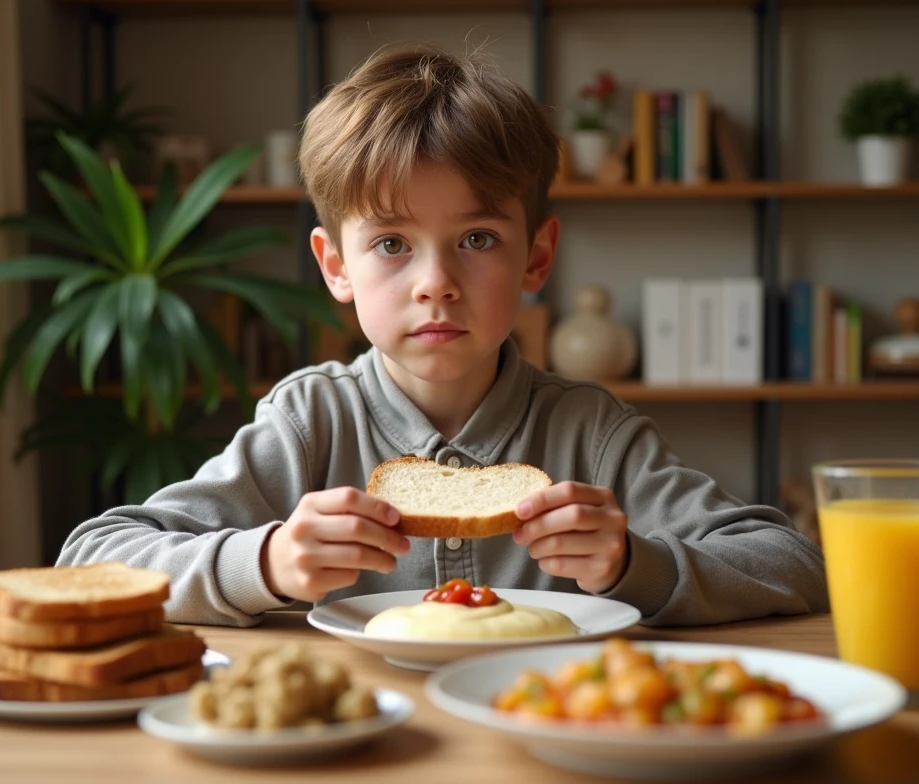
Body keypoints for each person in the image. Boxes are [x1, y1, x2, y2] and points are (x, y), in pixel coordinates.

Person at [57, 45, 828, 627]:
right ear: (336, 267)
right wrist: (264, 561)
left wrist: (636, 563)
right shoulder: (308, 422)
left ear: (537, 258)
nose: (436, 282)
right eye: (392, 244)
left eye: (477, 239)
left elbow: (794, 563)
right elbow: (92, 558)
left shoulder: (590, 432)